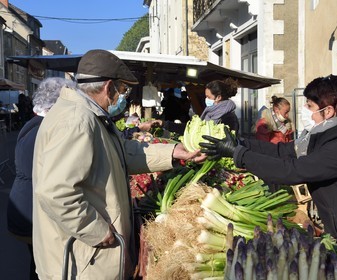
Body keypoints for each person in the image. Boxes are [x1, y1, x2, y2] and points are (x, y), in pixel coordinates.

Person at [200, 74, 337, 279]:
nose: (305, 112)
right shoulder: (321, 137)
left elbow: (292, 170)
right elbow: (282, 151)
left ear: (328, 111)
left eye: (310, 106)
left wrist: (239, 155)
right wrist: (240, 143)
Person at [32, 49, 205, 279]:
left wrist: (173, 152)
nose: (121, 97)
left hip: (86, 258)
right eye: (122, 90)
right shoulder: (77, 120)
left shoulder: (88, 115)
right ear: (108, 87)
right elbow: (55, 191)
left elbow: (121, 151)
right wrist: (96, 231)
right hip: (83, 262)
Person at [7, 77, 76, 280]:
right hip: (32, 213)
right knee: (46, 267)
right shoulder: (47, 130)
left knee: (37, 262)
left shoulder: (33, 124)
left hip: (23, 207)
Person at [150, 77, 240, 135]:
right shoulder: (209, 113)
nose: (206, 99)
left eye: (208, 97)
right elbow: (193, 129)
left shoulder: (229, 118)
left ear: (218, 97)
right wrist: (164, 124)